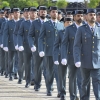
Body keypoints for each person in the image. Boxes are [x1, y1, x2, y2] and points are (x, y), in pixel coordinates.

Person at [73, 8, 100, 100]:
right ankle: (85, 98)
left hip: (97, 60)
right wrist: (77, 59)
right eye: (90, 15)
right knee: (85, 82)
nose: (93, 16)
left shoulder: (99, 29)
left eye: (94, 15)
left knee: (97, 81)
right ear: (86, 17)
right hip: (84, 61)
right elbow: (76, 45)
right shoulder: (81, 29)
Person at [38, 6, 64, 96]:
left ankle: (60, 91)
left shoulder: (61, 24)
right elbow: (40, 38)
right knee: (49, 72)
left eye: (56, 12)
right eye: (53, 12)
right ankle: (49, 89)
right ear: (50, 13)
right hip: (48, 51)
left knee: (59, 73)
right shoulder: (45, 24)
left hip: (59, 52)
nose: (55, 13)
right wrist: (41, 49)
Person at [61, 10, 84, 100]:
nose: (80, 17)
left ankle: (82, 96)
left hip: (83, 57)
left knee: (82, 78)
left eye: (81, 16)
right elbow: (64, 44)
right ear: (74, 17)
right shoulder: (69, 29)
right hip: (71, 57)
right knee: (72, 78)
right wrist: (64, 56)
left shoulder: (86, 27)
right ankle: (73, 96)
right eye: (78, 16)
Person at [28, 6, 48, 91]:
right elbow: (30, 35)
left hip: (48, 49)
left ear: (46, 13)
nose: (43, 12)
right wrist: (32, 45)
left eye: (44, 11)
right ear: (38, 13)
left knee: (48, 68)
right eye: (41, 11)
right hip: (37, 49)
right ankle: (37, 84)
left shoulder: (49, 23)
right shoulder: (34, 23)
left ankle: (49, 86)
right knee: (37, 68)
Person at [53, 17, 73, 100]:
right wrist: (55, 58)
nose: (69, 24)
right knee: (62, 76)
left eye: (70, 22)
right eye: (67, 22)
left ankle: (74, 93)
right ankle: (62, 93)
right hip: (62, 56)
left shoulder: (76, 31)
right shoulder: (60, 32)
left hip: (72, 56)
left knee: (73, 76)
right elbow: (56, 46)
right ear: (64, 23)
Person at [18, 7, 37, 88]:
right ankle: (28, 81)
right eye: (31, 12)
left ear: (37, 14)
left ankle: (34, 80)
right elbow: (19, 34)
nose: (33, 14)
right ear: (29, 13)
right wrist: (20, 44)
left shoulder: (39, 23)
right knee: (27, 64)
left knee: (36, 64)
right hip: (26, 46)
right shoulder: (24, 23)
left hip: (36, 46)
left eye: (35, 13)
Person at [3, 8, 20, 81]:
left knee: (18, 60)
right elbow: (5, 34)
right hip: (11, 44)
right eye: (15, 12)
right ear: (13, 14)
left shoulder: (22, 22)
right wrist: (5, 44)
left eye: (17, 12)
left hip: (20, 44)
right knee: (11, 60)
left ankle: (15, 72)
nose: (16, 14)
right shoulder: (9, 23)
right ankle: (10, 73)